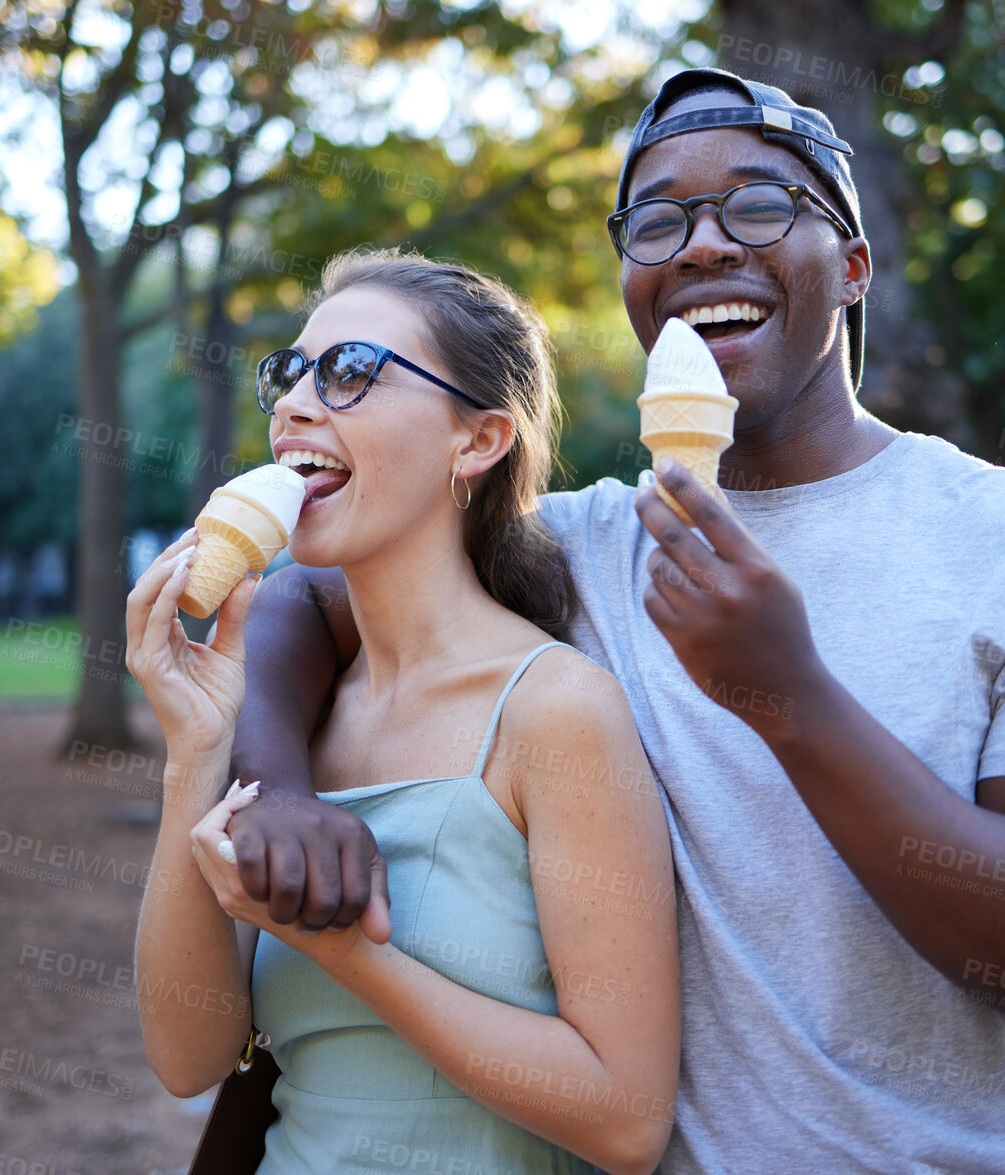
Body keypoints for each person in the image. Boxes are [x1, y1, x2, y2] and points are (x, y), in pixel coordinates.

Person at [227, 69, 1005, 1173]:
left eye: (760, 205)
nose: (701, 245)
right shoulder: (582, 548)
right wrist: (279, 786)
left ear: (854, 267)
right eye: (658, 221)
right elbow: (311, 593)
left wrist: (790, 698)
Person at [127, 248, 679, 1175]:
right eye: (289, 372)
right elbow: (187, 1058)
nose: (295, 403)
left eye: (351, 372)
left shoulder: (555, 711)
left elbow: (625, 1122)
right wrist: (196, 746)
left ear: (478, 441)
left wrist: (344, 952)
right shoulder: (295, 720)